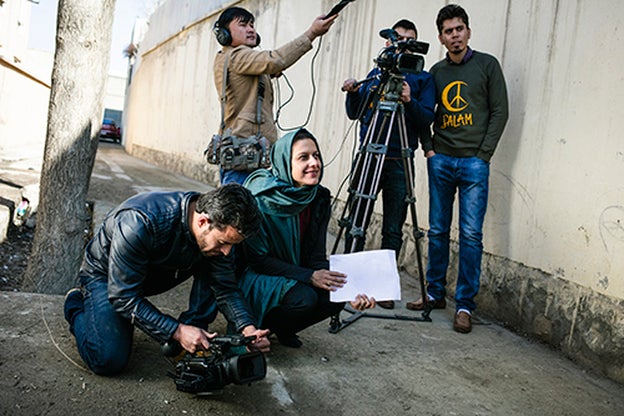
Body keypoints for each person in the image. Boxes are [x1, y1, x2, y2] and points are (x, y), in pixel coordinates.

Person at [63, 185, 270, 375]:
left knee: (214, 262)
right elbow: (123, 296)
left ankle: (194, 334)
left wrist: (247, 328)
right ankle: (75, 305)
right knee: (107, 359)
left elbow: (225, 289)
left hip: (150, 273)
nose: (227, 251)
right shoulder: (138, 222)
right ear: (203, 221)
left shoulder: (214, 226)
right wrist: (176, 331)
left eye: (232, 244)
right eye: (224, 242)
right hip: (107, 277)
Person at [406, 4, 509, 334]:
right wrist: (429, 148)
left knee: (470, 236)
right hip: (442, 160)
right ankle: (435, 293)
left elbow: (500, 112)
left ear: (468, 31)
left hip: (473, 164)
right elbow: (424, 110)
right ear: (440, 37)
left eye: (459, 29)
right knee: (437, 230)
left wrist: (484, 155)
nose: (455, 36)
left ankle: (464, 305)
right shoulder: (436, 72)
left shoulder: (487, 65)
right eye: (448, 31)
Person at [237, 128, 375, 348]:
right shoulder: (260, 198)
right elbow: (257, 260)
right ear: (285, 162)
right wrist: (310, 276)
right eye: (303, 157)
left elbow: (316, 256)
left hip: (295, 270)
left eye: (316, 155)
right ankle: (263, 327)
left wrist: (349, 290)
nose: (314, 163)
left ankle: (284, 328)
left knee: (335, 295)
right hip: (259, 274)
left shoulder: (318, 197)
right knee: (305, 298)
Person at [341, 19, 436, 309]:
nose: (403, 45)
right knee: (357, 219)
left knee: (393, 227)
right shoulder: (376, 73)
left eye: (410, 40)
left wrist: (409, 101)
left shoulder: (423, 79)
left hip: (399, 160)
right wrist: (353, 91)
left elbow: (426, 119)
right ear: (388, 43)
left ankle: (382, 289)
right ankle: (348, 283)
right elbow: (355, 113)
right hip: (369, 156)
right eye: (399, 39)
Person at [213, 7, 338, 185]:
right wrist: (311, 33)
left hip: (250, 154)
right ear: (224, 34)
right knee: (240, 211)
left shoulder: (237, 59)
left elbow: (264, 68)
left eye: (251, 25)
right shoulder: (236, 56)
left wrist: (269, 74)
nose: (250, 29)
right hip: (244, 156)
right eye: (243, 25)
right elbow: (274, 60)